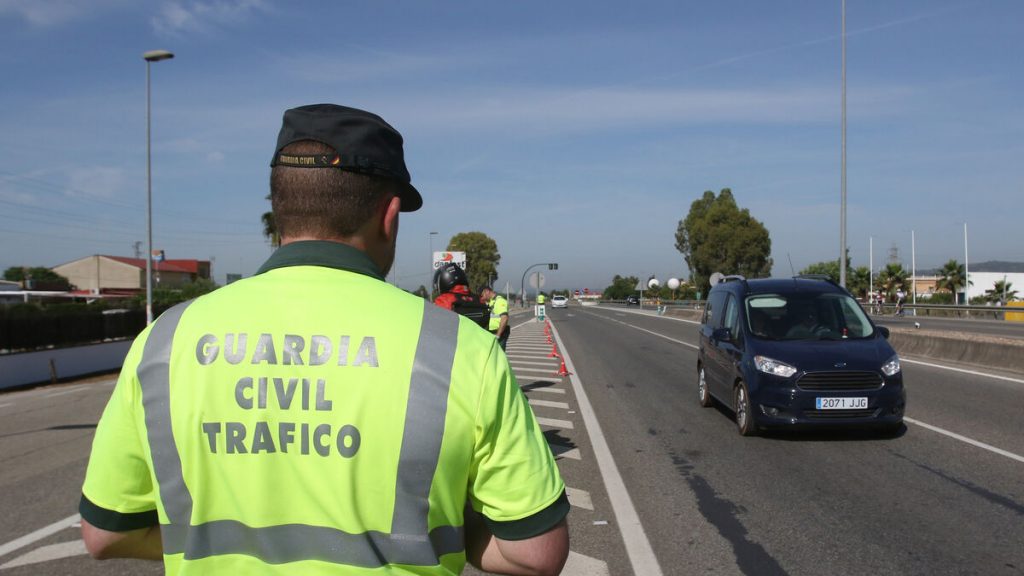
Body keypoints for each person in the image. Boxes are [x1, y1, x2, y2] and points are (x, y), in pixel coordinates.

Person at [79, 104, 569, 575]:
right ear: (389, 215)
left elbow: (107, 534)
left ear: (280, 209)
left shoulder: (164, 340)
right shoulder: (460, 349)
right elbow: (535, 553)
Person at [433, 262, 489, 330]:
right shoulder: (479, 299)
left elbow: (436, 325)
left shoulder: (444, 300)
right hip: (479, 339)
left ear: (444, 279)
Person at [480, 285, 510, 350]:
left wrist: (498, 335)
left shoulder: (499, 301)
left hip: (499, 334)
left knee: (499, 356)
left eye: (482, 295)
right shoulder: (491, 302)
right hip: (493, 333)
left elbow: (504, 318)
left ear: (487, 291)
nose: (482, 298)